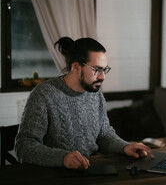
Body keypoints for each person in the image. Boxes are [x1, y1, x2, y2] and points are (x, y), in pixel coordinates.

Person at [15, 37, 153, 169]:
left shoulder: (95, 93)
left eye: (104, 69)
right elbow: (24, 147)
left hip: (92, 169)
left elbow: (104, 135)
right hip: (56, 174)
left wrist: (125, 147)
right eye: (97, 69)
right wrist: (63, 158)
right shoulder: (44, 94)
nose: (102, 76)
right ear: (76, 66)